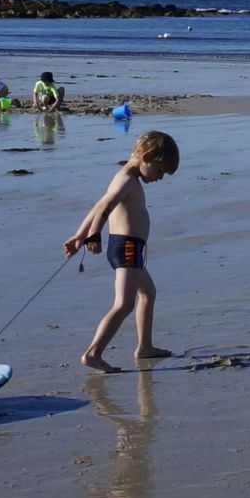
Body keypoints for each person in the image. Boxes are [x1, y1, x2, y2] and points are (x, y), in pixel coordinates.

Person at [63, 129, 181, 372]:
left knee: (148, 293)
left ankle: (145, 347)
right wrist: (93, 235)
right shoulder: (127, 180)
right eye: (160, 171)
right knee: (124, 304)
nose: (160, 177)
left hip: (131, 249)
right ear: (146, 157)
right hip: (127, 248)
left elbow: (98, 204)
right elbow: (105, 207)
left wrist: (79, 234)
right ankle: (93, 353)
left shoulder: (127, 177)